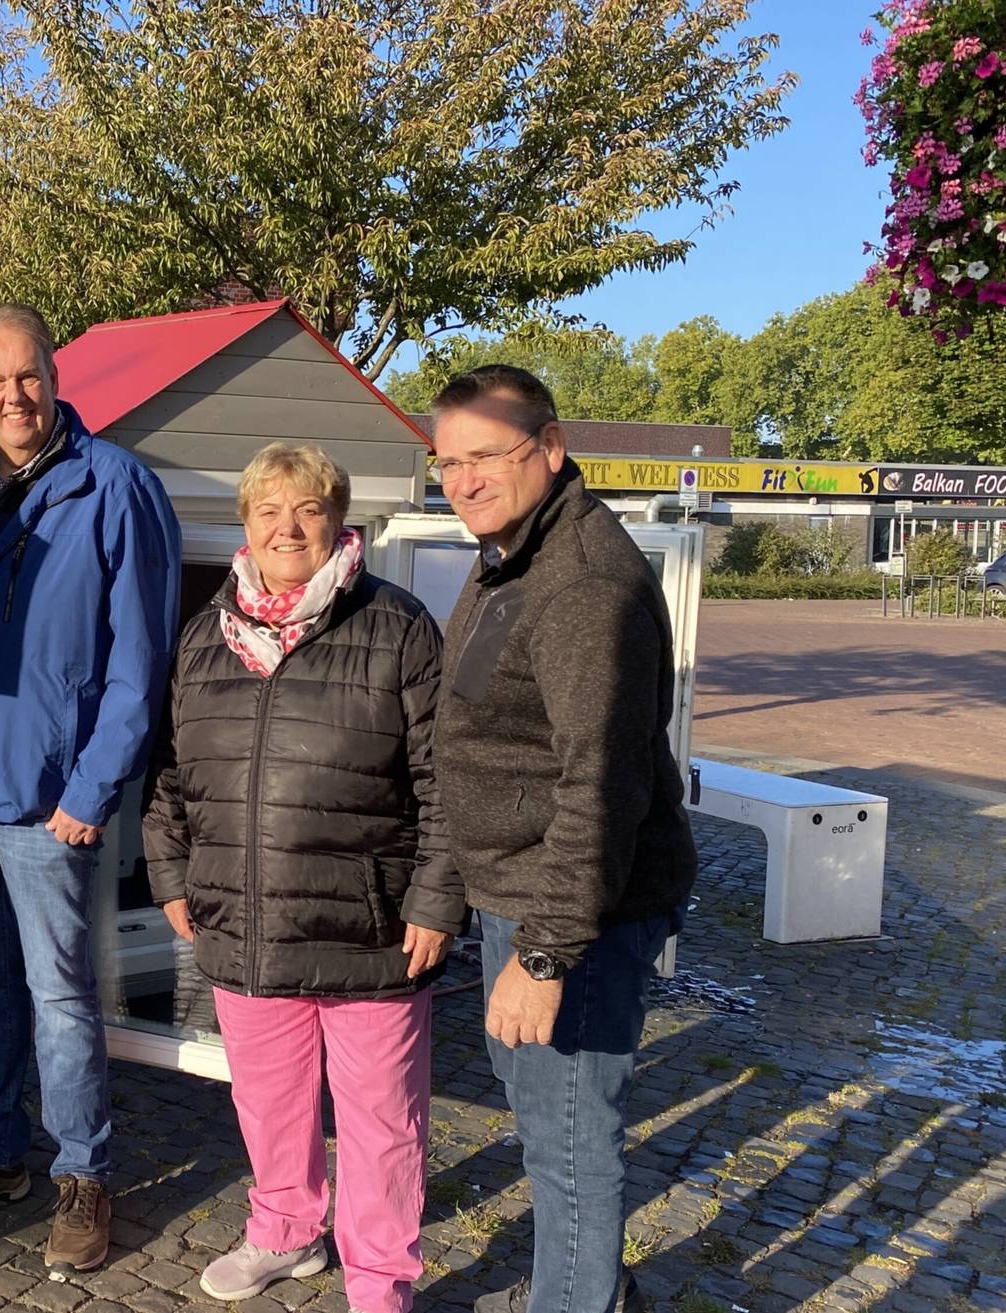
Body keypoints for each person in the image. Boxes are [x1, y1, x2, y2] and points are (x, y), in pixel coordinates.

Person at [142, 443, 462, 1313]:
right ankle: (285, 1231)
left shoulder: (396, 626)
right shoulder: (205, 637)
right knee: (270, 1105)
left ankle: (380, 1280)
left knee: (383, 1124)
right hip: (245, 925)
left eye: (308, 509)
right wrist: (172, 872)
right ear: (245, 525)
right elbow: (170, 771)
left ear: (338, 520)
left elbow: (445, 778)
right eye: (268, 511)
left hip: (371, 930)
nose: (288, 527)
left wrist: (436, 896)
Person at [0, 303, 182, 1279]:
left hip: (47, 797)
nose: (14, 396)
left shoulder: (115, 489)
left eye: (28, 377)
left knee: (61, 992)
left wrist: (94, 787)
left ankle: (85, 1174)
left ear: (54, 378)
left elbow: (141, 663)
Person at [427, 365, 696, 1313]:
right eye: (447, 462)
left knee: (572, 1142)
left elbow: (601, 785)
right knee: (547, 1117)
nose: (462, 481)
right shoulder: (511, 553)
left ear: (548, 447)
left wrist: (542, 957)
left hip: (574, 912)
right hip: (518, 893)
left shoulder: (583, 583)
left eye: (485, 457)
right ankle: (596, 1288)